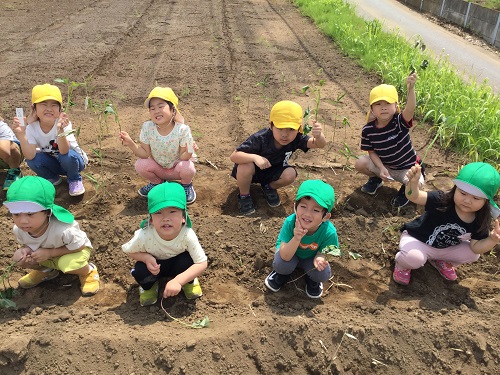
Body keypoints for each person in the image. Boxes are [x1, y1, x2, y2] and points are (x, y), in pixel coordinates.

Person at [393, 162, 500, 285]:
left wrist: (493, 239)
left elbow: (476, 247)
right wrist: (412, 183)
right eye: (463, 193)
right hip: (418, 240)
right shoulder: (441, 200)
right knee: (414, 259)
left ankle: (440, 261)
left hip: (445, 249)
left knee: (472, 254)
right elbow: (414, 197)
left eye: (476, 198)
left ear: (486, 202)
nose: (467, 200)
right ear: (455, 189)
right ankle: (402, 266)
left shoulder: (480, 219)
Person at [3, 176, 100, 296]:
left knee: (67, 264)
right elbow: (29, 244)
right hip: (47, 256)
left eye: (30, 214)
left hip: (73, 251)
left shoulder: (63, 229)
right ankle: (47, 271)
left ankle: (88, 272)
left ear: (48, 212)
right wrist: (25, 251)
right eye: (16, 214)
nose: (23, 221)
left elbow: (80, 246)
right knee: (18, 258)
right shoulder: (19, 229)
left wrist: (49, 253)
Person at [230, 100, 327, 215]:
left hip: (274, 172)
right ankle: (244, 196)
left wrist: (319, 136)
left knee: (290, 174)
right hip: (253, 171)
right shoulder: (260, 138)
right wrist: (255, 158)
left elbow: (318, 144)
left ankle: (269, 187)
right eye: (280, 128)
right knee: (245, 166)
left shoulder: (297, 138)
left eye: (291, 129)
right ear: (271, 126)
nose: (285, 134)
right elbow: (234, 156)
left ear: (298, 128)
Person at [122, 181, 207, 307]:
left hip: (178, 265)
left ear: (184, 217)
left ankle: (188, 282)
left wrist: (178, 281)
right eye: (158, 213)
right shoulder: (144, 235)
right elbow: (128, 250)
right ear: (151, 219)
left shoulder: (187, 234)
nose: (165, 218)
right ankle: (149, 287)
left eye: (172, 212)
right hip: (155, 266)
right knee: (140, 270)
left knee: (187, 261)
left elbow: (201, 262)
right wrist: (145, 258)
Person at [354, 73, 424, 208]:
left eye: (387, 103)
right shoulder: (368, 130)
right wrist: (380, 168)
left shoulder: (399, 122)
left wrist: (411, 89)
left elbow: (410, 108)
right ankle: (376, 179)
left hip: (406, 169)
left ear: (396, 106)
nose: (383, 107)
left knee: (417, 184)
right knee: (360, 163)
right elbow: (372, 151)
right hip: (385, 167)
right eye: (378, 104)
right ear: (372, 109)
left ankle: (406, 191)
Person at [118, 87, 197, 204]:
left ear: (173, 110)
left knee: (187, 166)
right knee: (140, 164)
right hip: (159, 169)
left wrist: (191, 149)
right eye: (152, 108)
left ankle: (186, 186)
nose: (156, 111)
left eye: (161, 107)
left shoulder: (182, 130)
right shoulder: (147, 127)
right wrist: (130, 143)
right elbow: (144, 154)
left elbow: (184, 157)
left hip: (177, 169)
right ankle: (156, 183)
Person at [264, 179, 339, 298]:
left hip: (311, 258)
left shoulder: (329, 232)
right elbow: (285, 256)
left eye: (315, 210)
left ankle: (312, 279)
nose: (307, 214)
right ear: (295, 207)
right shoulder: (290, 223)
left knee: (322, 274)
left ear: (325, 217)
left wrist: (319, 258)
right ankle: (282, 274)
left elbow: (324, 252)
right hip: (289, 254)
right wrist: (297, 237)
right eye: (303, 206)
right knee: (281, 264)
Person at [11, 84, 88, 196]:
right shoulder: (31, 127)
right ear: (34, 108)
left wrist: (60, 130)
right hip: (54, 164)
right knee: (33, 160)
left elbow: (64, 151)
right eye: (43, 104)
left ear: (60, 109)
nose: (49, 109)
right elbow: (29, 156)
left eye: (54, 105)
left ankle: (74, 179)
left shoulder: (63, 124)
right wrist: (22, 133)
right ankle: (52, 178)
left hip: (74, 163)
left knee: (67, 156)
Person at [0, 116, 23, 190]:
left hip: (11, 157)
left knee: (10, 147)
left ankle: (14, 171)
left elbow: (6, 151)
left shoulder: (1, 126)